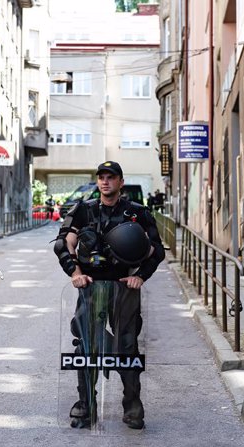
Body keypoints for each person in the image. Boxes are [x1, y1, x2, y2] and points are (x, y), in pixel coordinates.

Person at [53, 161, 165, 430]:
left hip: (123, 287)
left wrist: (141, 276)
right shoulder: (84, 210)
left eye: (111, 178)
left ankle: (133, 407)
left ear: (120, 182)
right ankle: (85, 405)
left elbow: (157, 250)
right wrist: (75, 272)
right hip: (90, 287)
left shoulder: (136, 213)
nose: (105, 182)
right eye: (101, 178)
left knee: (127, 347)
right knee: (86, 348)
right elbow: (63, 243)